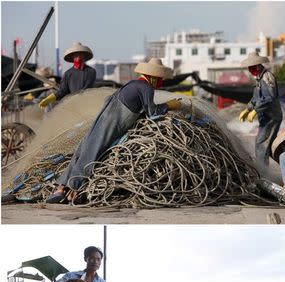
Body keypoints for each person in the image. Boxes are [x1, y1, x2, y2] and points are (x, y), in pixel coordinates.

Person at [46, 57, 182, 203]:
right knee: (92, 153)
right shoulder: (146, 87)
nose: (160, 82)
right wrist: (169, 105)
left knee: (83, 149)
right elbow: (153, 113)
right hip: (112, 123)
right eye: (159, 78)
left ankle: (60, 189)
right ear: (153, 77)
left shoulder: (132, 84)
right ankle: (74, 190)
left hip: (103, 118)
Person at [239, 52, 283, 166]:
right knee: (270, 145)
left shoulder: (267, 77)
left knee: (261, 144)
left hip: (272, 116)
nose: (250, 69)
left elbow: (269, 97)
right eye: (250, 67)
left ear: (258, 65)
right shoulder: (258, 79)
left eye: (252, 66)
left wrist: (256, 110)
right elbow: (256, 98)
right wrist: (248, 109)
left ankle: (263, 173)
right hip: (265, 117)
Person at [38, 42, 96, 109]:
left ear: (84, 56)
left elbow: (86, 89)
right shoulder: (67, 73)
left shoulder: (91, 71)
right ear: (72, 57)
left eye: (81, 54)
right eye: (76, 55)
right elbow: (63, 91)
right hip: (72, 105)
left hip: (86, 104)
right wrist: (49, 99)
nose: (78, 56)